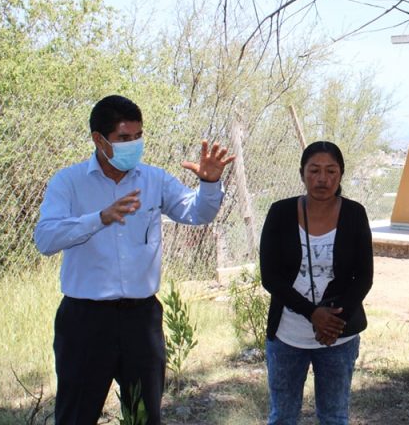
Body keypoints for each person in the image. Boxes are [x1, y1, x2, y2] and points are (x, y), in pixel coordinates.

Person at [34, 95, 235, 425]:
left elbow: (197, 212)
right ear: (99, 140)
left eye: (138, 136)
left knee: (143, 415)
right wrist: (99, 217)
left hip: (141, 320)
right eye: (124, 138)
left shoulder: (153, 179)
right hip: (85, 321)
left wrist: (209, 183)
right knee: (75, 415)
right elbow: (46, 239)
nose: (133, 145)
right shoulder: (68, 182)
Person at [259, 141, 373, 425]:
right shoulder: (280, 212)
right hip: (288, 334)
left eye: (331, 171)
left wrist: (334, 320)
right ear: (302, 174)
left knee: (334, 416)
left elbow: (364, 276)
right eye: (314, 170)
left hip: (339, 335)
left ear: (341, 175)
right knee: (282, 416)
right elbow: (270, 276)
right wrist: (313, 314)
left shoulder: (355, 214)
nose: (323, 179)